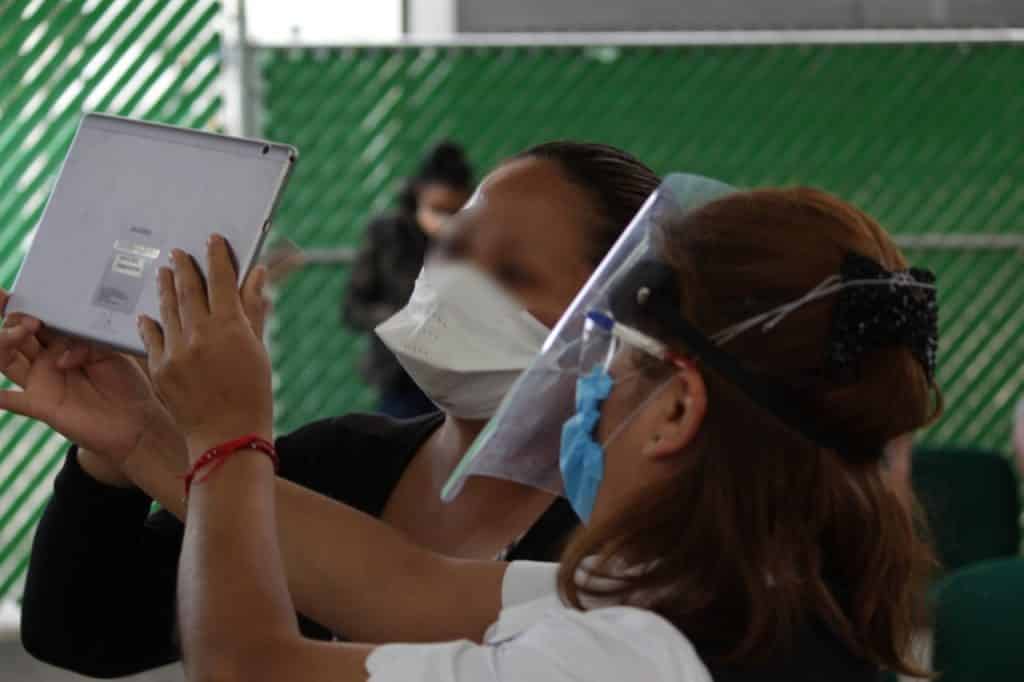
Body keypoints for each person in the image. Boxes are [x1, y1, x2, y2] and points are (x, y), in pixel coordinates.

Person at [117, 175, 946, 679]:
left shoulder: (638, 658)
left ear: (681, 410)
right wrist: (136, 432)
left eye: (613, 371)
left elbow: (249, 670)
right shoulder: (748, 596)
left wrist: (227, 433)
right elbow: (406, 588)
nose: (588, 395)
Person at [5, 142, 662, 677]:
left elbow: (260, 661)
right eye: (453, 249)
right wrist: (122, 443)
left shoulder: (625, 546)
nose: (460, 282)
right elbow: (82, 630)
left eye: (512, 274)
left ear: (616, 328)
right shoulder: (338, 461)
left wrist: (214, 431)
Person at [343, 141, 474, 418]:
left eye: (454, 212)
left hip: (461, 376)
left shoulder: (475, 241)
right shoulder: (388, 236)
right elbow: (353, 308)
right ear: (419, 195)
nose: (444, 221)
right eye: (438, 209)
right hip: (401, 377)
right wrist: (404, 321)